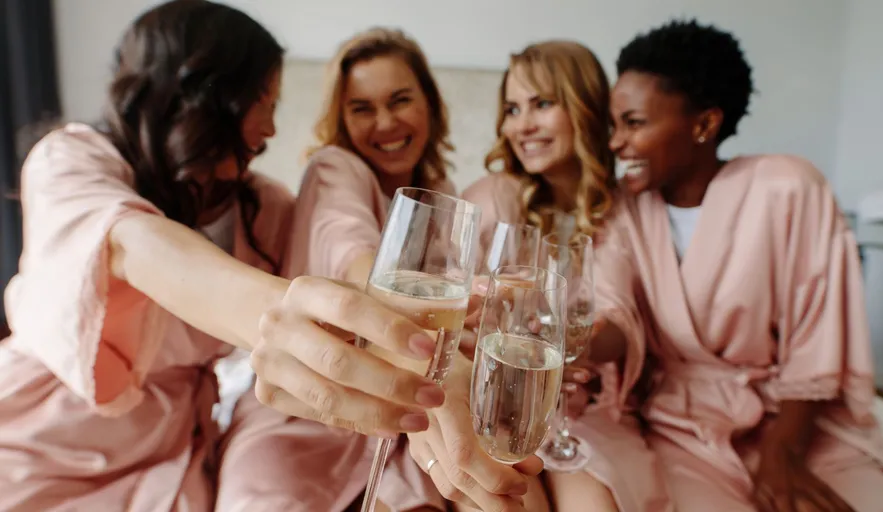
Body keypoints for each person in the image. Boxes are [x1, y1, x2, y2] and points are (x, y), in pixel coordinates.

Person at [0, 2, 508, 510]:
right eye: (265, 102)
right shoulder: (70, 160)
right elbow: (133, 246)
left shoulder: (263, 208)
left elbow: (332, 250)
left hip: (173, 446)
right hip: (48, 429)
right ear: (214, 99)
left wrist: (426, 350)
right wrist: (282, 317)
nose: (271, 128)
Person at [565, 19, 883, 512]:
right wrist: (567, 342)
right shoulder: (625, 209)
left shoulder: (788, 187)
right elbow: (615, 311)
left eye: (634, 123)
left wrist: (783, 450)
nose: (616, 143)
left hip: (801, 421)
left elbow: (817, 335)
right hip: (685, 425)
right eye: (614, 126)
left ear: (704, 125)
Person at [217, 28, 539, 512]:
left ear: (430, 103)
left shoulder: (445, 194)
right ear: (342, 119)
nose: (385, 122)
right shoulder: (333, 168)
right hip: (305, 408)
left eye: (400, 100)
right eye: (362, 108)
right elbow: (351, 254)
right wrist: (425, 326)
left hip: (402, 417)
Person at [455, 40, 617, 512]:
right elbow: (451, 318)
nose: (522, 125)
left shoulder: (623, 209)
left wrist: (581, 346)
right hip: (489, 403)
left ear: (585, 107)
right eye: (512, 109)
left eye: (542, 104)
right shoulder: (490, 199)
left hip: (582, 412)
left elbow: (624, 323)